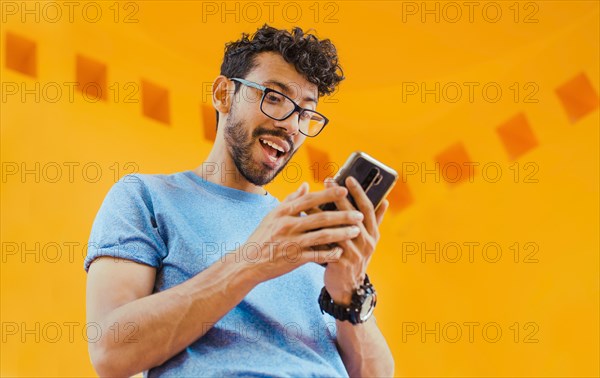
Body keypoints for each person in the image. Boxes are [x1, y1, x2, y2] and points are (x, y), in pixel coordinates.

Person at [84, 24, 395, 377]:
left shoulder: (305, 229)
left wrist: (347, 294)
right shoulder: (146, 198)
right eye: (275, 97)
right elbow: (111, 352)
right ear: (223, 95)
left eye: (306, 113)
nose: (292, 126)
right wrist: (253, 262)